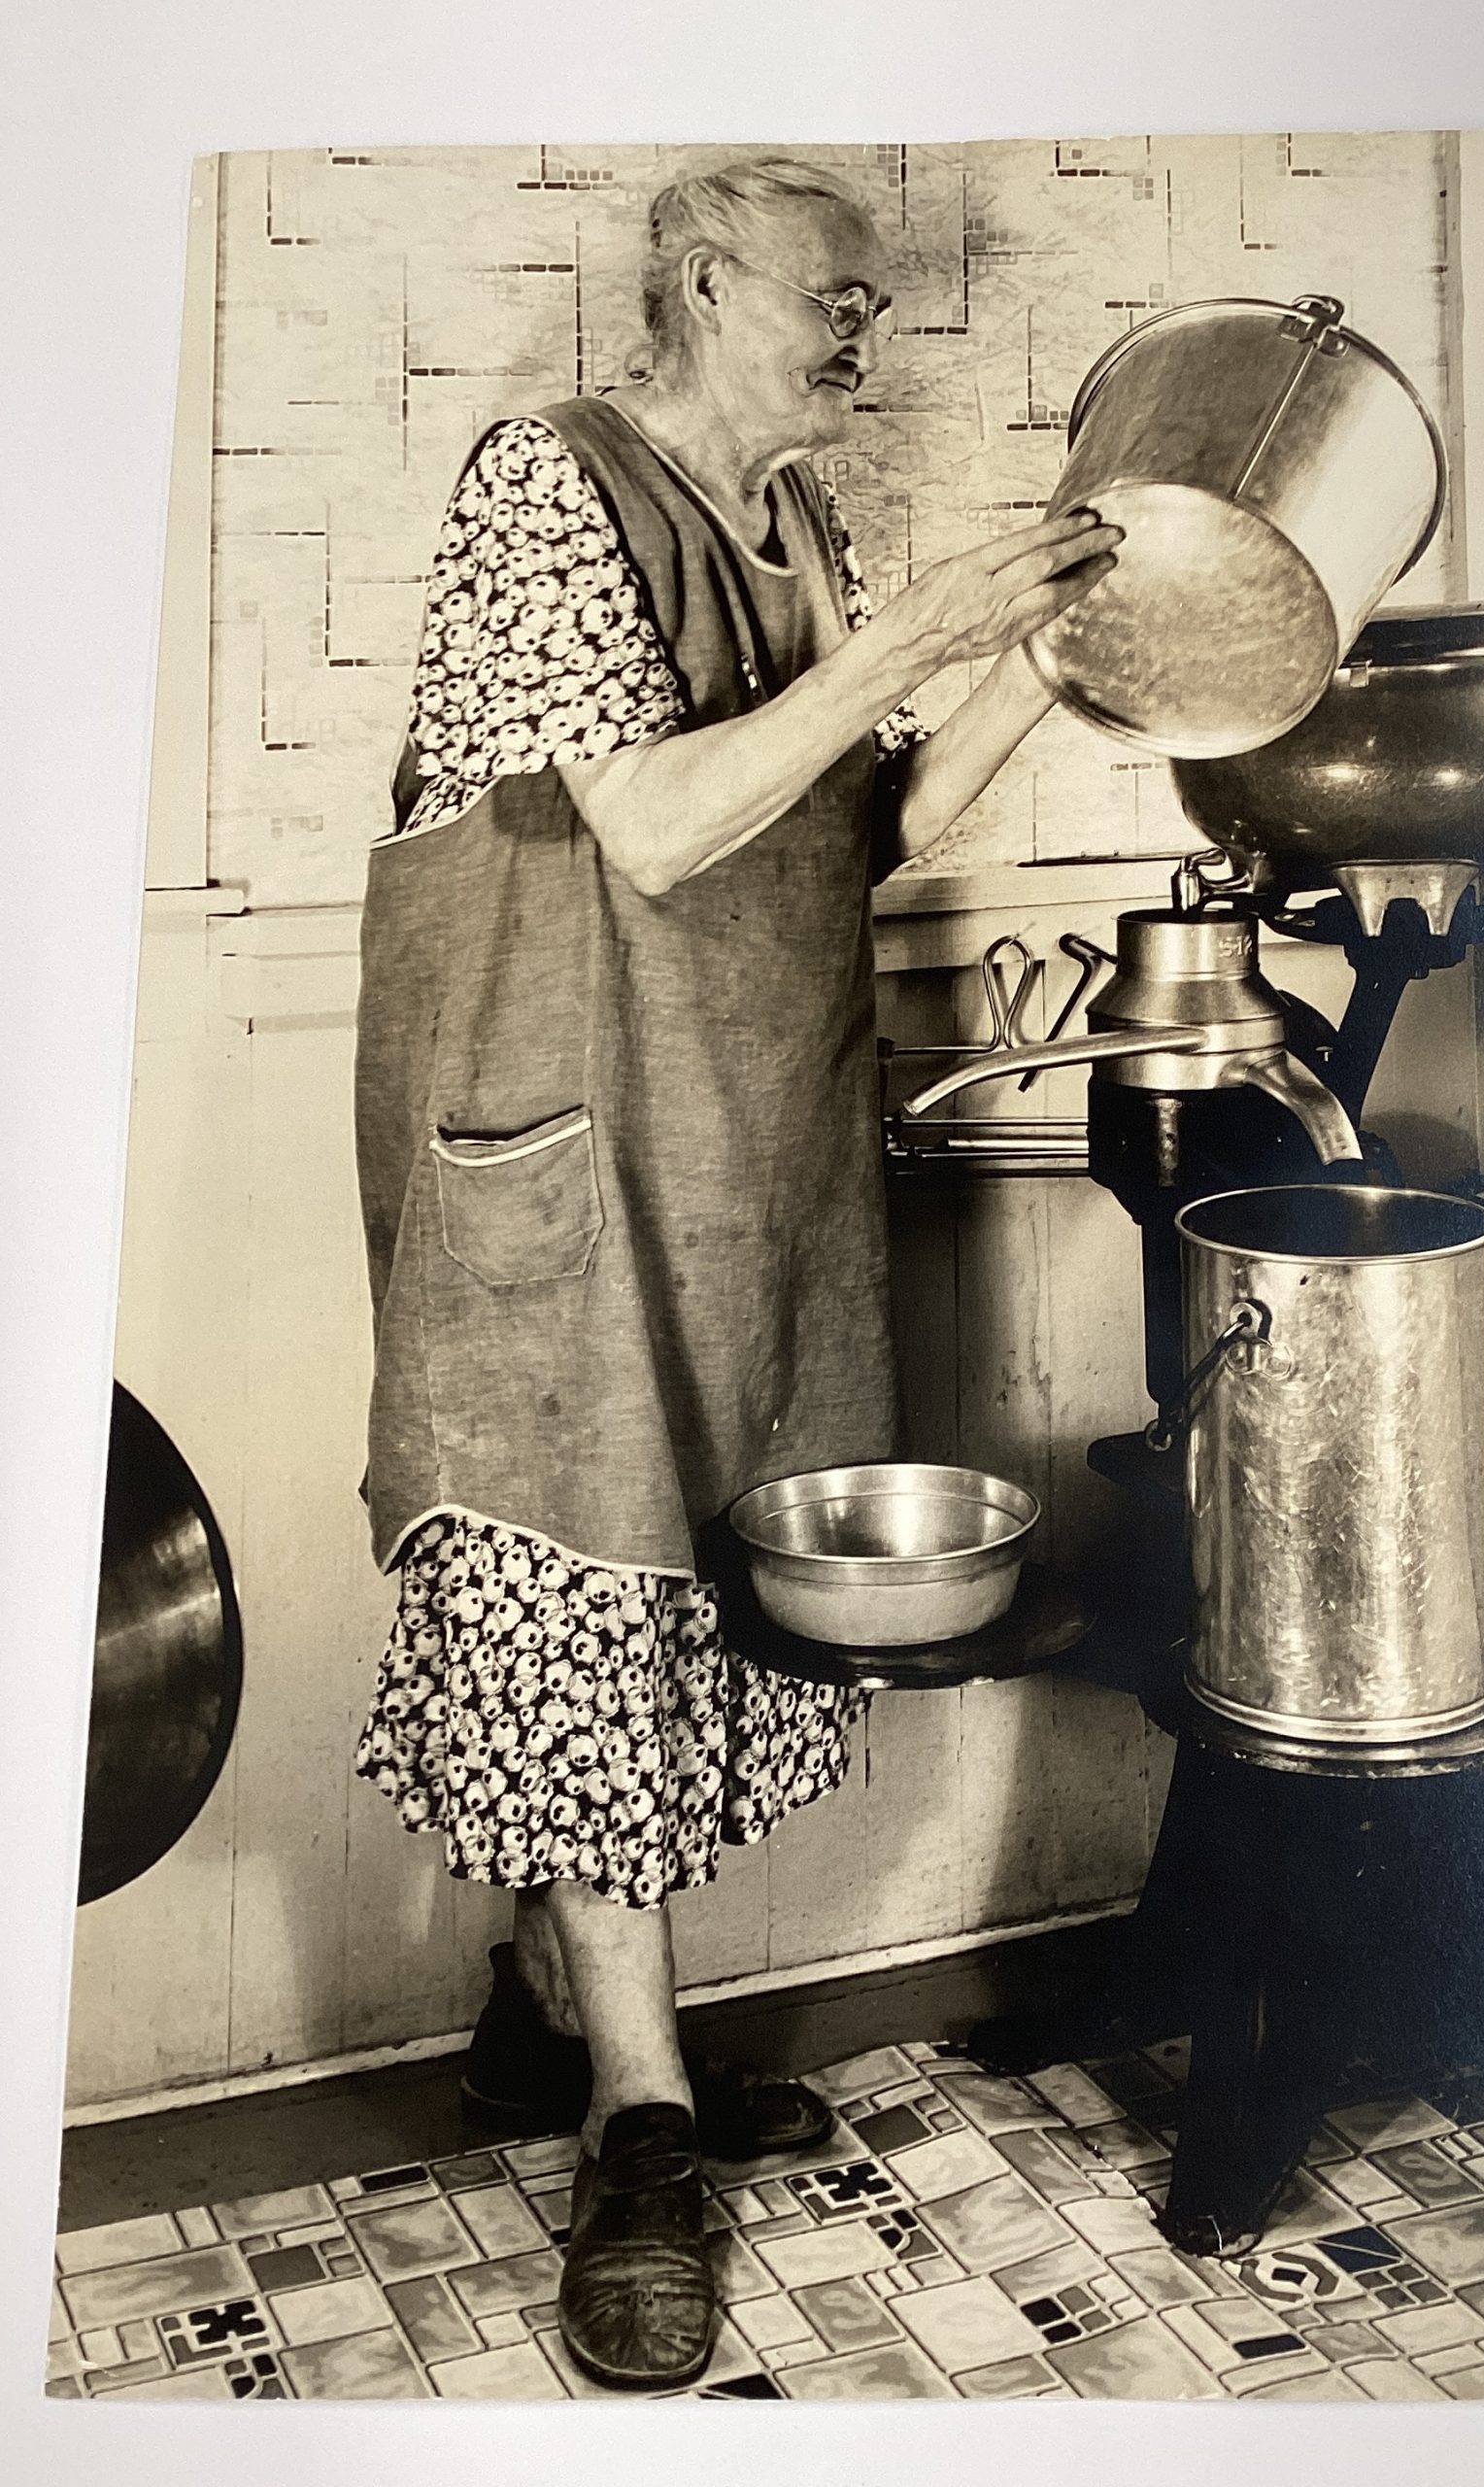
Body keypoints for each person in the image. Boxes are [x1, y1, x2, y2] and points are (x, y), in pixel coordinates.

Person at [349, 155, 1120, 2390]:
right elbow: (659, 821)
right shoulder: (543, 481)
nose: (862, 340)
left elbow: (865, 828)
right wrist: (908, 635)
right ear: (698, 281)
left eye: (872, 312)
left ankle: (538, 2017)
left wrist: (1046, 654)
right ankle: (644, 2122)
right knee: (573, 1581)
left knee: (679, 1589)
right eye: (837, 302)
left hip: (746, 1169)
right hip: (565, 1162)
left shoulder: (798, 535)